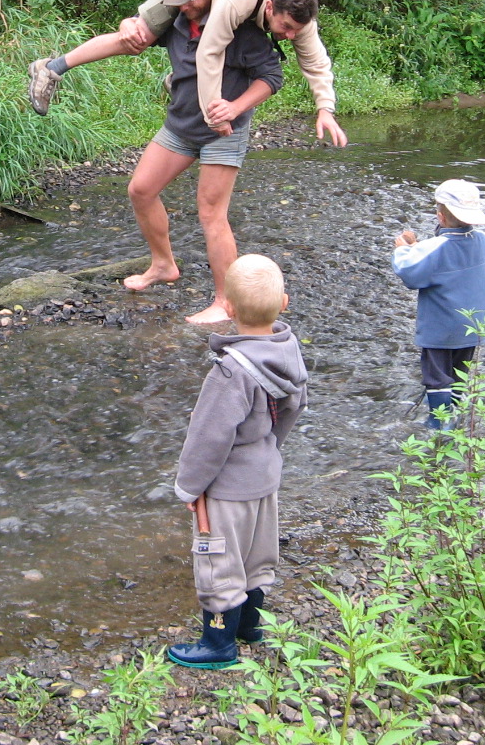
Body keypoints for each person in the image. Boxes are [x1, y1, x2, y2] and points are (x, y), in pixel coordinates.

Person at [26, 0, 348, 149]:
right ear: (270, 8)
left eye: (294, 31)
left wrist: (325, 109)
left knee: (223, 46)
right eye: (285, 28)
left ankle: (178, 81)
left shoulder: (298, 14)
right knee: (138, 38)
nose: (290, 36)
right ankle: (51, 68)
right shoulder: (232, 2)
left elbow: (316, 63)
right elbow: (209, 53)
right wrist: (215, 117)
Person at [122, 0, 284, 324]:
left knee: (211, 214)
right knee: (141, 190)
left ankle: (226, 303)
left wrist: (235, 107)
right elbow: (136, 34)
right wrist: (128, 23)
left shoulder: (240, 29)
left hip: (223, 132)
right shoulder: (177, 20)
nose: (185, 7)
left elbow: (272, 77)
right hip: (181, 124)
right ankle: (163, 265)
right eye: (178, 2)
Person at [168, 254, 308, 669]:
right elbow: (295, 407)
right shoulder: (288, 352)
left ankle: (218, 644)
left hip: (227, 488)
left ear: (227, 307)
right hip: (265, 476)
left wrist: (189, 486)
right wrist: (270, 447)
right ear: (284, 303)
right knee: (257, 555)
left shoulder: (230, 371)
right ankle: (250, 626)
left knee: (220, 561)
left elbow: (208, 438)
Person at [392, 179, 485, 430]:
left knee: (437, 376)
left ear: (440, 216)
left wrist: (403, 249)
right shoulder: (482, 240)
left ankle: (438, 424)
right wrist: (418, 247)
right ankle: (455, 416)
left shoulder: (433, 247)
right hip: (473, 323)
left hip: (441, 326)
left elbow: (410, 273)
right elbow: (450, 260)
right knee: (460, 371)